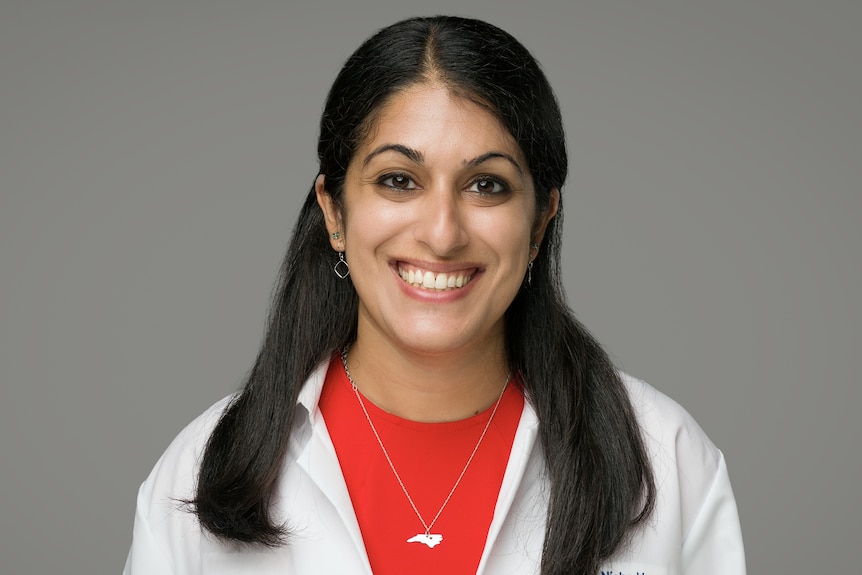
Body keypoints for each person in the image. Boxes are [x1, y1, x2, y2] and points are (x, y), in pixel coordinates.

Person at [123, 15, 745, 575]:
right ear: (334, 211)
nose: (442, 233)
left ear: (541, 221)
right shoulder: (202, 471)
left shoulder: (666, 460)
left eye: (487, 185)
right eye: (398, 180)